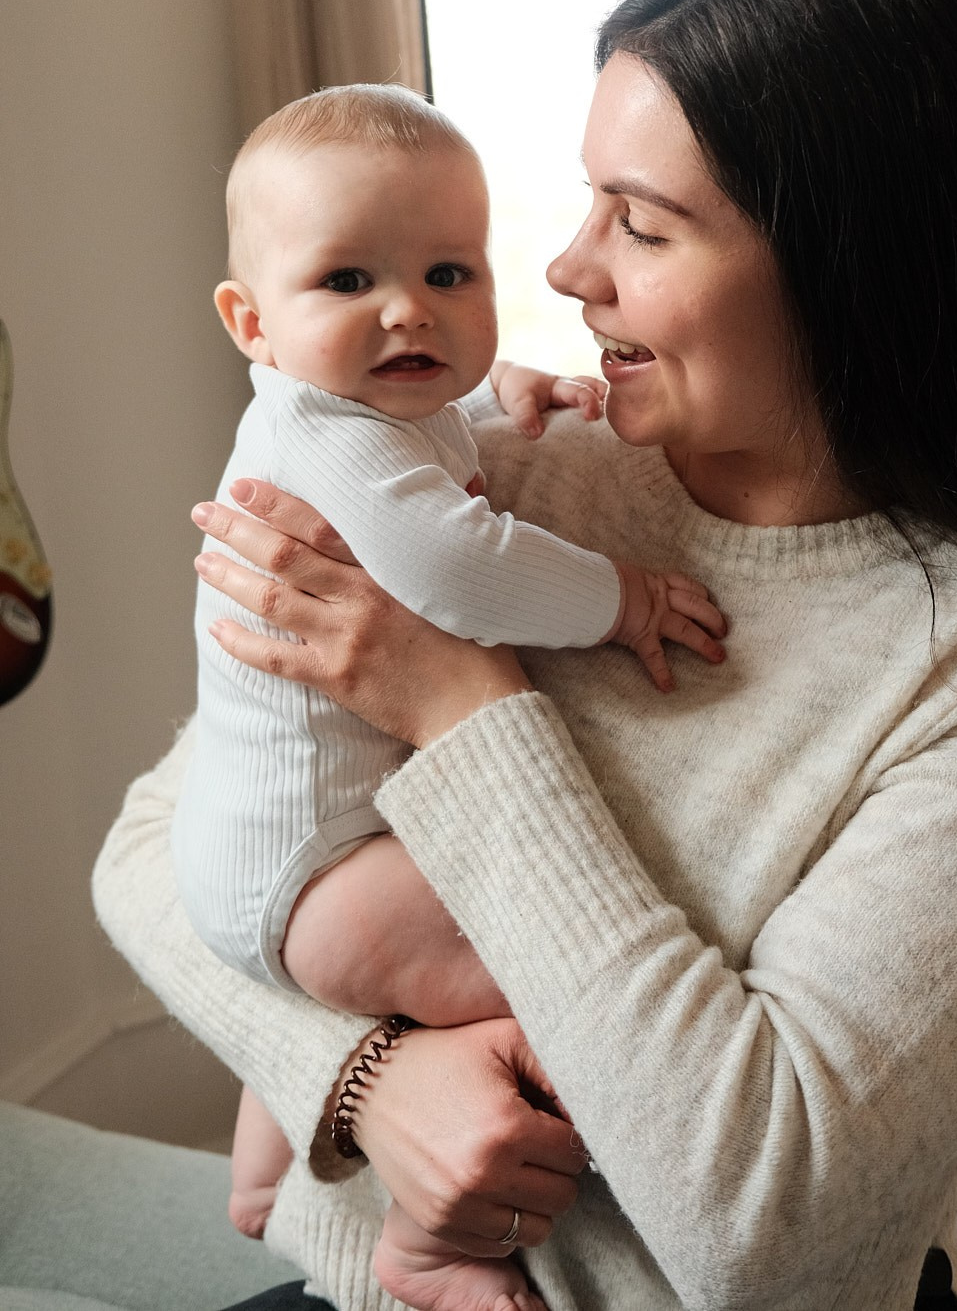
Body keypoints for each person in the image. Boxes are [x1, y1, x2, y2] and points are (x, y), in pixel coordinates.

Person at [93, 0, 957, 1311]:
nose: (564, 270)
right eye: (584, 201)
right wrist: (366, 1079)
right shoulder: (507, 473)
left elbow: (762, 1225)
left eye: (644, 222)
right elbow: (155, 846)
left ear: (856, 268)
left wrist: (460, 702)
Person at [171, 82, 725, 1307]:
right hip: (322, 865)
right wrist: (622, 599)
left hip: (262, 848)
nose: (407, 311)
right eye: (347, 282)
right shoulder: (335, 439)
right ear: (250, 321)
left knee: (453, 972)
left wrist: (492, 398)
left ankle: (266, 1167)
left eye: (449, 274)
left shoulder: (352, 410)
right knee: (566, 981)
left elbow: (423, 451)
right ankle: (425, 1248)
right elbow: (452, 564)